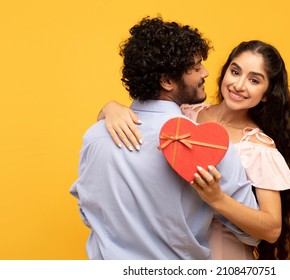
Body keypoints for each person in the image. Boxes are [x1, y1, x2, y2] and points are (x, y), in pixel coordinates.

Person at [70, 16, 260, 260]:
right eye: (195, 67)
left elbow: (87, 211)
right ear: (167, 81)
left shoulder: (95, 136)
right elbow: (250, 234)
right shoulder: (210, 144)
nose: (205, 72)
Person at [98, 40, 290, 259]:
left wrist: (217, 199)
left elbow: (272, 230)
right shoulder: (184, 114)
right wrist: (109, 108)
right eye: (235, 72)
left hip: (223, 253)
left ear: (267, 93)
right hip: (168, 248)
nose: (239, 85)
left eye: (254, 80)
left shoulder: (259, 148)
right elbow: (137, 128)